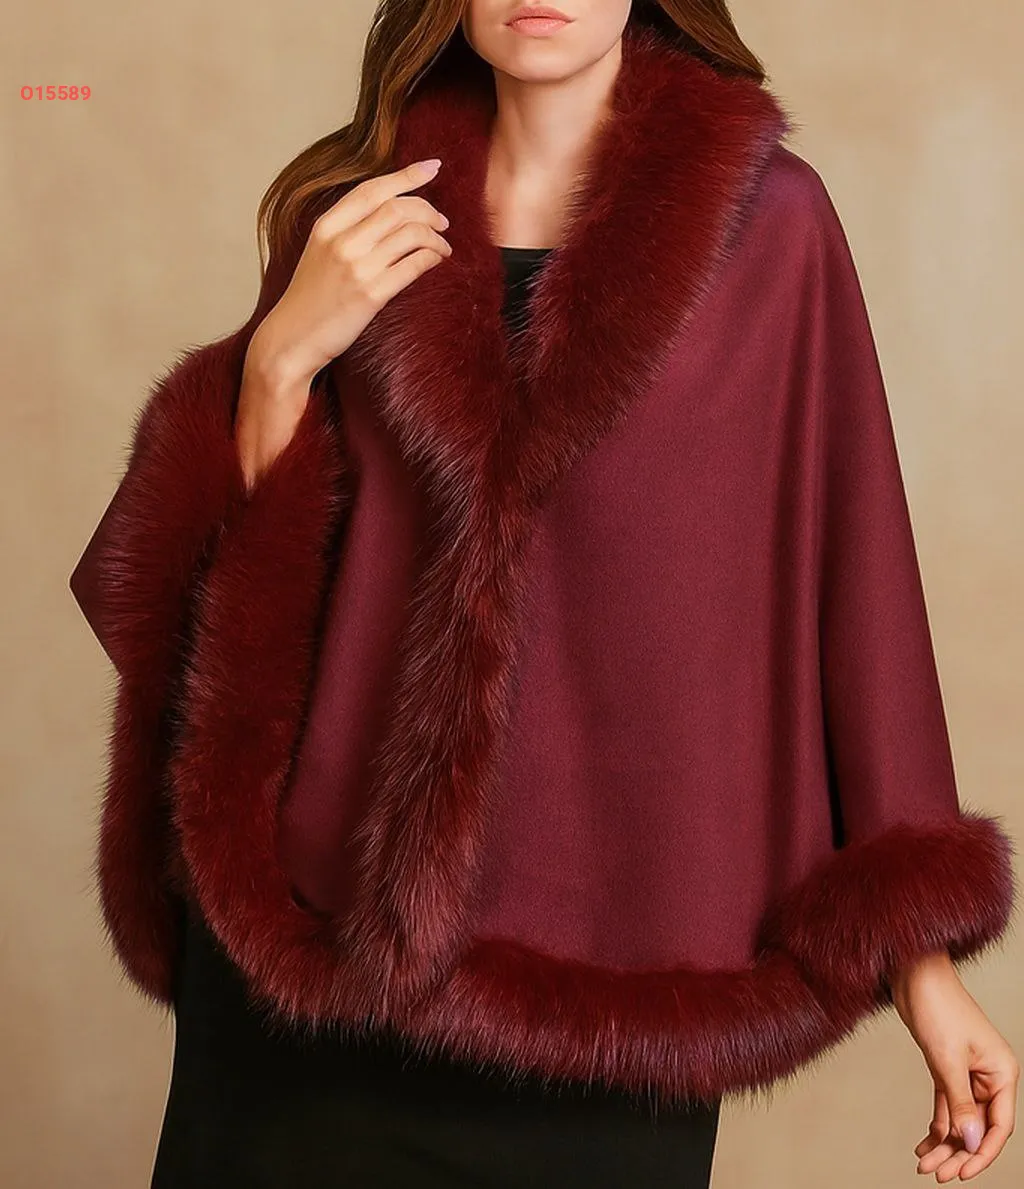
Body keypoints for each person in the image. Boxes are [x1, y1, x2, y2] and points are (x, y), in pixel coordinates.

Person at [69, 2, 1019, 1186]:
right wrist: (277, 368)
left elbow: (853, 579)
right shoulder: (361, 219)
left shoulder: (770, 228)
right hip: (312, 962)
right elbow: (223, 623)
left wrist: (923, 968)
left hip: (611, 988)